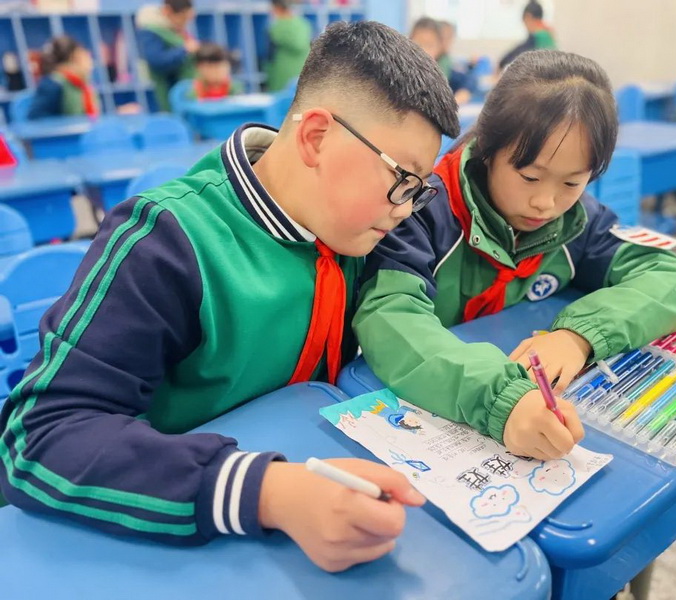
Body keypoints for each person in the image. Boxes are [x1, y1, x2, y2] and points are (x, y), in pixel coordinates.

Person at [0, 21, 459, 573]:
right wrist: (265, 491)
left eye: (419, 190)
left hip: (304, 487)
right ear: (316, 137)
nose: (406, 210)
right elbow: (37, 437)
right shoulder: (166, 241)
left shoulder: (360, 227)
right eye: (401, 178)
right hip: (160, 529)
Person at [354, 50, 676, 461]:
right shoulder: (421, 211)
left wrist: (578, 336)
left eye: (572, 183)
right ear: (488, 149)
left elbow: (673, 278)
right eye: (530, 177)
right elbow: (389, 317)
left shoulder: (579, 221)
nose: (546, 203)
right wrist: (499, 399)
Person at [29, 36, 139, 120]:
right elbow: (37, 119)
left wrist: (116, 111)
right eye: (86, 56)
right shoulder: (53, 84)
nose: (90, 62)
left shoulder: (80, 84)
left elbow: (90, 113)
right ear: (75, 58)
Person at [137, 0, 198, 111]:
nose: (185, 23)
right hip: (168, 90)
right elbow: (157, 61)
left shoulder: (174, 30)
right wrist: (184, 50)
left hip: (187, 89)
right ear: (168, 11)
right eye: (183, 17)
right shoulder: (151, 31)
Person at [409, 17, 472, 104]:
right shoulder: (403, 72)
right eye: (417, 44)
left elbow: (466, 84)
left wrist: (462, 94)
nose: (423, 50)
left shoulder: (447, 71)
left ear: (439, 47)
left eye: (429, 45)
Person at [265, 0, 312, 92]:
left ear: (277, 8)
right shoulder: (303, 23)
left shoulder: (277, 26)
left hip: (283, 72)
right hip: (304, 69)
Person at [499, 1, 557, 70]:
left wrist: (501, 63)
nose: (526, 27)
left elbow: (518, 55)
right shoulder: (547, 34)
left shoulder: (539, 36)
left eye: (525, 22)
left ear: (528, 17)